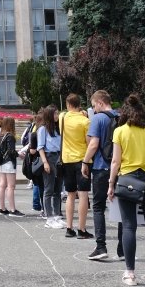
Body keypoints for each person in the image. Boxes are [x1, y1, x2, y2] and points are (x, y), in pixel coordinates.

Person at [108, 93, 145, 286]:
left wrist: (111, 184)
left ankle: (130, 274)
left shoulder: (120, 131)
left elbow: (116, 161)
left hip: (127, 180)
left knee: (128, 226)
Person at [82, 90, 117, 259]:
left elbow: (93, 144)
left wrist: (85, 161)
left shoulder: (98, 118)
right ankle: (123, 249)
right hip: (119, 168)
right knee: (120, 208)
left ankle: (101, 247)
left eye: (94, 105)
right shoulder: (120, 117)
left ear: (100, 103)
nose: (94, 109)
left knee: (98, 207)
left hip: (101, 167)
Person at [61, 93, 92, 239]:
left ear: (67, 105)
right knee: (84, 194)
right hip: (82, 159)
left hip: (67, 159)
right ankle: (81, 228)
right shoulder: (85, 121)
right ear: (79, 104)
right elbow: (88, 142)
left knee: (70, 195)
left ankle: (69, 227)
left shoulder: (63, 118)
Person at [37, 105, 64, 229]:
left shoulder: (58, 129)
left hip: (59, 158)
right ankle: (49, 217)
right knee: (49, 189)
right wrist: (45, 162)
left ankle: (57, 215)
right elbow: (40, 147)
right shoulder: (43, 129)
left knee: (58, 189)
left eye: (57, 114)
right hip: (49, 157)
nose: (57, 116)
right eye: (55, 114)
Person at [0, 116, 23, 216]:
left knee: (2, 185)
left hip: (1, 163)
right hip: (9, 163)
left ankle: (2, 208)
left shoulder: (2, 135)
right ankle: (12, 210)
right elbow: (11, 151)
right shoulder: (10, 136)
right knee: (11, 186)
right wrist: (19, 154)